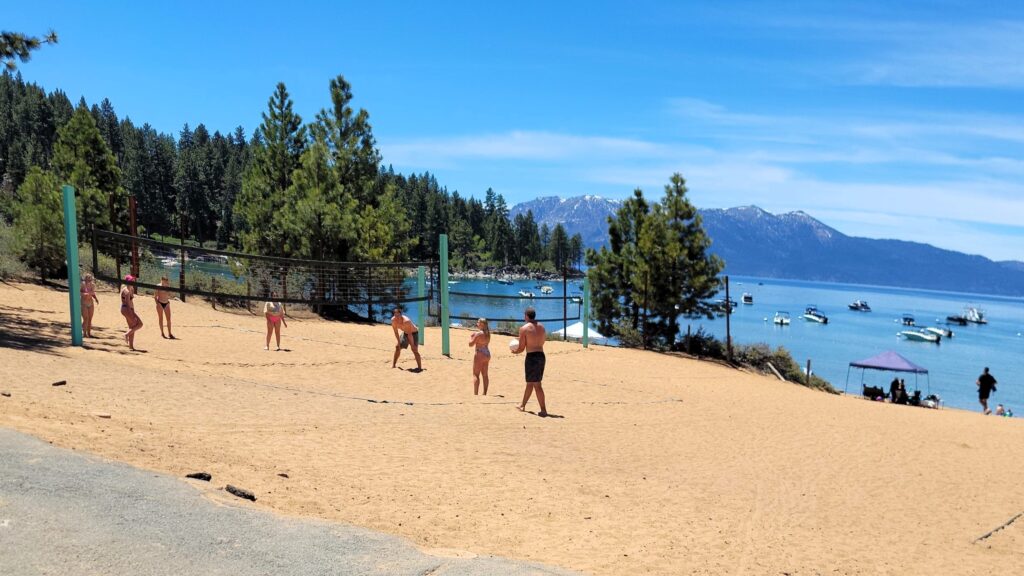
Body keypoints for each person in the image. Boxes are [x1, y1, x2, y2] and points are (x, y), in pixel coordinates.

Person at [512, 306, 548, 417]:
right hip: (541, 355)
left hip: (532, 357)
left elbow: (522, 348)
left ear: (526, 316)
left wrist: (515, 351)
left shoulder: (524, 328)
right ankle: (522, 405)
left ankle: (543, 410)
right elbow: (542, 341)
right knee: (530, 383)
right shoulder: (541, 327)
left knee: (537, 384)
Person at [120, 274, 143, 350]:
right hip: (127, 309)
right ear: (127, 281)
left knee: (132, 327)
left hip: (129, 309)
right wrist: (131, 314)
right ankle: (126, 334)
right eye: (131, 280)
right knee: (140, 324)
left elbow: (131, 301)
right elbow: (127, 303)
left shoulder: (131, 289)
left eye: (133, 280)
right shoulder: (126, 291)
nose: (132, 281)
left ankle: (131, 346)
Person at [469, 317, 491, 395]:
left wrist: (471, 337)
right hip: (487, 354)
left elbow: (470, 344)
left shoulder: (478, 334)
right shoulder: (488, 333)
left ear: (482, 324)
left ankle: (476, 394)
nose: (477, 323)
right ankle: (484, 393)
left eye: (478, 322)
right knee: (485, 375)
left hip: (480, 354)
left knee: (475, 374)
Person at [80, 272, 99, 338]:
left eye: (90, 278)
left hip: (90, 303)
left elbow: (93, 293)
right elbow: (79, 292)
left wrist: (96, 299)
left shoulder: (93, 285)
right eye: (87, 278)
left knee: (90, 319)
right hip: (83, 303)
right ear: (85, 279)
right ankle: (84, 332)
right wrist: (83, 294)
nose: (89, 279)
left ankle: (89, 333)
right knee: (86, 318)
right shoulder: (82, 284)